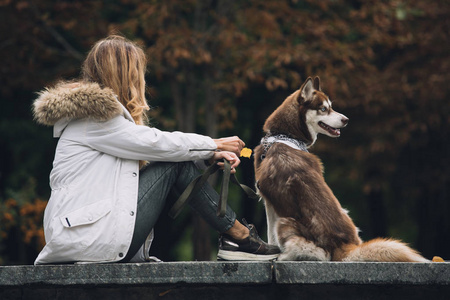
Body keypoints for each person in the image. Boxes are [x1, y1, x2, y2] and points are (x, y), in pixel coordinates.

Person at [32, 35, 280, 264]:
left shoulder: (96, 121)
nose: (140, 79)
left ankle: (236, 237)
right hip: (90, 238)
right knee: (173, 161)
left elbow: (149, 169)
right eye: (137, 72)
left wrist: (209, 158)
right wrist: (212, 144)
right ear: (123, 74)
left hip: (86, 235)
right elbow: (155, 144)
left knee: (175, 163)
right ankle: (239, 236)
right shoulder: (92, 118)